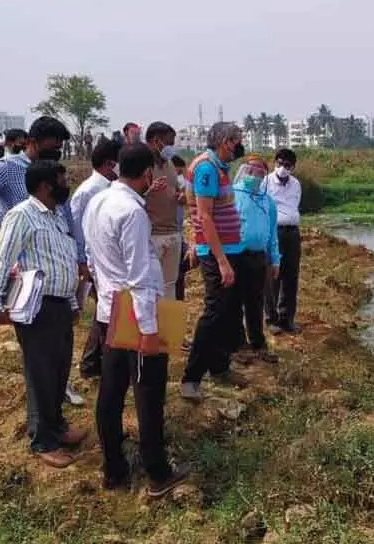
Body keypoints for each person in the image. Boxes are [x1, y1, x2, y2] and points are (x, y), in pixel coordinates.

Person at [0, 116, 88, 406]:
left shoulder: (55, 175)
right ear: (31, 143)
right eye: (50, 149)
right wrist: (4, 221)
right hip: (29, 256)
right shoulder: (8, 169)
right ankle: (45, 407)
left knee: (61, 333)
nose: (55, 153)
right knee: (39, 335)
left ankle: (58, 389)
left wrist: (77, 255)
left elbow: (66, 216)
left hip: (57, 251)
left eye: (59, 149)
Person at [83, 144, 191, 496]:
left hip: (109, 311)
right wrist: (149, 331)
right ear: (147, 173)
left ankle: (113, 469)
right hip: (135, 314)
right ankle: (157, 473)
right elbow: (140, 276)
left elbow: (93, 257)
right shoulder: (131, 212)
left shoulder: (97, 201)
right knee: (148, 393)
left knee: (111, 393)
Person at [0, 160, 87, 468]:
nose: (67, 185)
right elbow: (3, 259)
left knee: (59, 371)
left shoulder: (54, 217)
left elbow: (63, 260)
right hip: (37, 307)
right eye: (62, 180)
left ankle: (57, 426)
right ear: (44, 186)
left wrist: (74, 304)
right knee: (41, 374)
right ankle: (43, 441)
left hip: (61, 305)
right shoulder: (21, 216)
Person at [179, 122, 248, 401]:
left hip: (230, 248)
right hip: (218, 253)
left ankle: (220, 367)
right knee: (214, 313)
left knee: (228, 312)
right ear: (226, 141)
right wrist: (221, 261)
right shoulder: (207, 168)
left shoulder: (219, 167)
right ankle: (191, 378)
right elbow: (204, 216)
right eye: (237, 140)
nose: (239, 146)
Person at [71, 139, 122, 379]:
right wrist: (85, 264)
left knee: (106, 311)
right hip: (93, 263)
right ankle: (97, 365)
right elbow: (78, 229)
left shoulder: (109, 188)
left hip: (102, 262)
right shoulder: (89, 191)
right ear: (110, 163)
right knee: (108, 313)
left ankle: (92, 365)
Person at [233, 156, 280, 363]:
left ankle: (258, 344)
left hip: (258, 257)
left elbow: (272, 233)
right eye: (252, 170)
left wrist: (275, 259)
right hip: (235, 255)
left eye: (261, 172)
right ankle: (238, 345)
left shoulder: (267, 201)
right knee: (234, 302)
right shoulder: (232, 194)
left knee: (255, 302)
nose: (256, 175)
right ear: (245, 170)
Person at [263, 148, 302, 334]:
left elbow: (295, 206)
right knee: (272, 275)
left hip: (292, 233)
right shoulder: (266, 181)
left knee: (291, 276)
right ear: (275, 163)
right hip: (273, 232)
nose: (282, 168)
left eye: (287, 165)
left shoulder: (296, 184)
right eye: (279, 164)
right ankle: (271, 319)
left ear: (293, 167)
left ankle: (287, 318)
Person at [144, 122, 184, 302]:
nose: (170, 148)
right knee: (149, 288)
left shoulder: (169, 164)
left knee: (169, 286)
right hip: (151, 235)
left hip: (172, 232)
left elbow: (176, 190)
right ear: (155, 141)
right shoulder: (141, 164)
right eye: (168, 143)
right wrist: (149, 190)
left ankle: (166, 327)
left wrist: (181, 196)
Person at [171, 154, 190, 301]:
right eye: (178, 172)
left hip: (177, 235)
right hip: (168, 238)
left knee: (179, 276)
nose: (181, 176)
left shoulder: (181, 195)